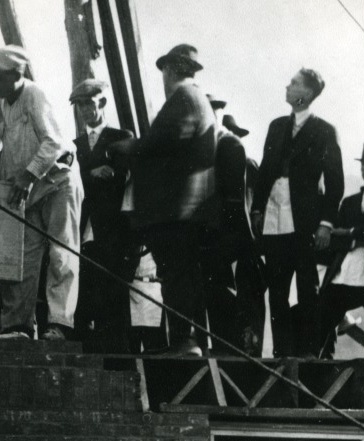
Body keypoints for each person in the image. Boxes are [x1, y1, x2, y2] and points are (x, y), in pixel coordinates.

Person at [0, 46, 82, 340]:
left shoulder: (34, 95)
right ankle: (18, 326)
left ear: (16, 74)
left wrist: (27, 174)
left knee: (62, 252)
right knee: (22, 257)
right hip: (29, 190)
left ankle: (59, 324)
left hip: (58, 182)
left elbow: (54, 143)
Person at [116, 43, 217, 357]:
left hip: (178, 210)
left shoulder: (184, 97)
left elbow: (166, 142)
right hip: (183, 209)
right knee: (179, 276)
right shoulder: (194, 98)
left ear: (170, 70)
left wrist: (130, 147)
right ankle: (183, 341)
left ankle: (184, 342)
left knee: (177, 276)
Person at [251, 68, 344, 357]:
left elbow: (335, 183)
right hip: (274, 219)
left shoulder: (324, 131)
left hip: (306, 221)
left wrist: (326, 224)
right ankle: (281, 351)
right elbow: (265, 172)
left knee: (307, 288)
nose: (288, 87)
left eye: (293, 84)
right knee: (276, 289)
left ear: (306, 93)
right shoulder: (276, 126)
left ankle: (308, 353)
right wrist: (256, 208)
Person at [69, 78, 134, 352]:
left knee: (113, 294)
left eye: (89, 104)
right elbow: (70, 179)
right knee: (84, 291)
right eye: (80, 105)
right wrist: (92, 174)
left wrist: (87, 175)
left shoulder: (122, 137)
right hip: (82, 228)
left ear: (102, 103)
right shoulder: (73, 144)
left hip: (112, 230)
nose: (85, 110)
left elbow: (120, 177)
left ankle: (117, 359)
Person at [317, 140, 364, 360]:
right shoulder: (349, 202)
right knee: (326, 315)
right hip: (346, 270)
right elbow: (335, 236)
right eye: (363, 163)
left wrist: (350, 233)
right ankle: (323, 364)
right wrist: (353, 238)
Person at [204, 97, 265, 355]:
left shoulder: (248, 165)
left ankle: (246, 348)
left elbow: (248, 207)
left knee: (246, 301)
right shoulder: (214, 162)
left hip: (243, 242)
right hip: (233, 241)